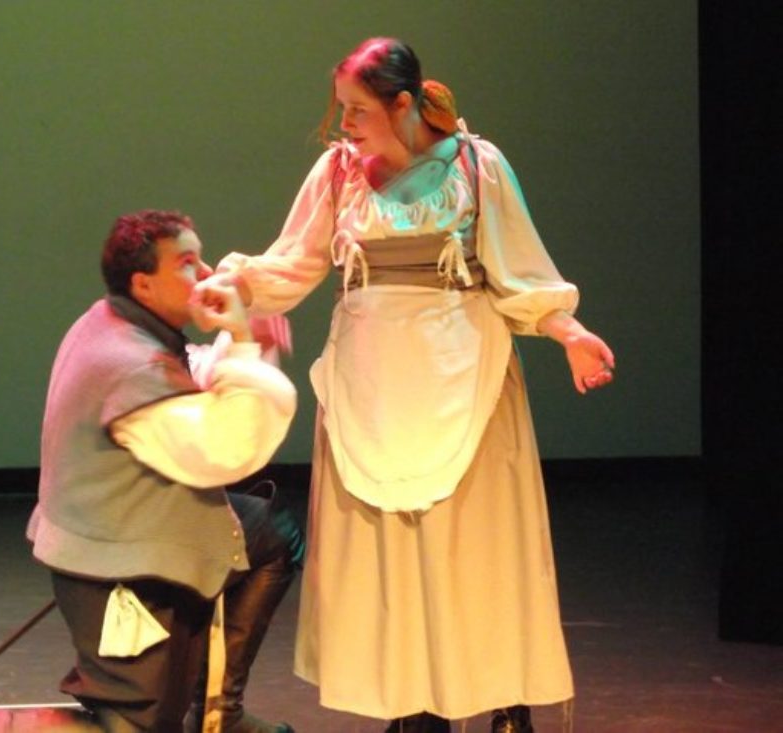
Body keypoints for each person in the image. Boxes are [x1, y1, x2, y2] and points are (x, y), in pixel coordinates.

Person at [198, 38, 616, 733]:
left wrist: (569, 333)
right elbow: (292, 263)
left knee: (475, 549)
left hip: (463, 377)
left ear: (402, 105)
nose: (344, 124)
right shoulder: (338, 173)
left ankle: (506, 699)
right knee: (391, 552)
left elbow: (519, 270)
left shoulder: (476, 166)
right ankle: (411, 705)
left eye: (358, 110)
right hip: (372, 386)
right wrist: (232, 285)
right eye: (341, 109)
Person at [25, 210, 303, 733]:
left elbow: (185, 379)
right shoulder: (130, 363)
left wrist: (243, 343)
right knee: (139, 723)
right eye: (187, 263)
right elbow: (226, 448)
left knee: (272, 533)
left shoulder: (112, 320)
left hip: (120, 532)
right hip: (117, 566)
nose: (206, 273)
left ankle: (220, 714)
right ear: (143, 283)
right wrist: (241, 339)